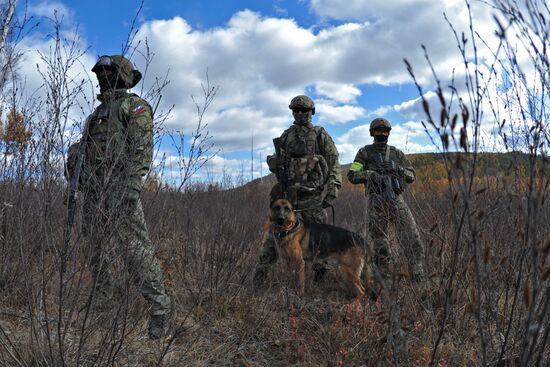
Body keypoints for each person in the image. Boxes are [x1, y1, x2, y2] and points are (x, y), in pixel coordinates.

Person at [67, 55, 171, 339]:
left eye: (108, 72)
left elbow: (141, 150)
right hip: (93, 193)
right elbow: (87, 153)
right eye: (99, 73)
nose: (102, 77)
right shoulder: (95, 115)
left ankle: (159, 308)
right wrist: (75, 159)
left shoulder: (133, 107)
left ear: (123, 76)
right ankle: (102, 304)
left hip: (120, 190)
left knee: (135, 251)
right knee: (96, 250)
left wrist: (132, 187)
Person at [253, 95, 342, 286]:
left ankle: (320, 280)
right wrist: (273, 161)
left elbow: (333, 161)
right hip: (288, 200)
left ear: (312, 112)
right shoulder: (287, 135)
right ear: (292, 112)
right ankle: (259, 279)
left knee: (320, 242)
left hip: (313, 198)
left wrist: (333, 187)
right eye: (296, 110)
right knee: (272, 240)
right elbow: (277, 159)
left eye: (305, 110)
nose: (300, 113)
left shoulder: (320, 135)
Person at [347, 117, 424, 282]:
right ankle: (384, 278)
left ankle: (417, 274)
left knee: (412, 237)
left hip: (396, 200)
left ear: (389, 133)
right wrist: (370, 175)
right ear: (372, 133)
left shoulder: (396, 153)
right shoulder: (364, 153)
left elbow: (411, 175)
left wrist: (398, 169)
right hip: (376, 202)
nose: (382, 134)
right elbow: (352, 175)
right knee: (380, 244)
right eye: (378, 131)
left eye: (385, 131)